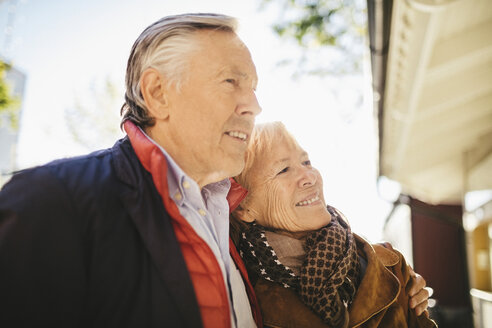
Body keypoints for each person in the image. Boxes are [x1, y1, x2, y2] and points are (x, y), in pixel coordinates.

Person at [0, 13, 263, 328]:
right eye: (230, 81)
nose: (253, 106)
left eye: (253, 87)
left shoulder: (233, 215)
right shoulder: (52, 201)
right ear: (157, 93)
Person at [230, 122, 437, 327]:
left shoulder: (390, 265)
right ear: (243, 208)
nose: (309, 177)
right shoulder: (244, 298)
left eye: (306, 162)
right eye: (283, 170)